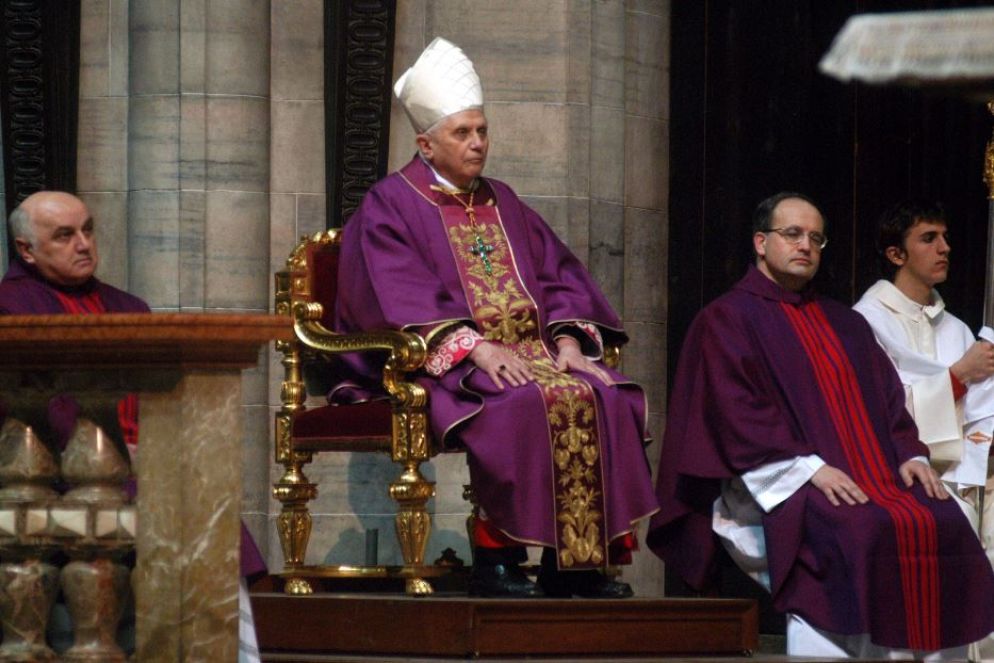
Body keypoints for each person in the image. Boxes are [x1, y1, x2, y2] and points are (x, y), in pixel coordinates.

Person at [333, 37, 658, 598]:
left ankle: (574, 563)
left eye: (482, 130)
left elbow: (557, 275)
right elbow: (393, 291)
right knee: (517, 400)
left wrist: (569, 342)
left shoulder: (504, 200)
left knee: (605, 394)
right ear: (425, 144)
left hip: (531, 352)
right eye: (463, 133)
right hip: (440, 362)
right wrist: (474, 347)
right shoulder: (390, 203)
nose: (478, 143)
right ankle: (496, 556)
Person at [648, 192, 994, 658]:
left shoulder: (845, 323)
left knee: (943, 520)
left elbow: (890, 403)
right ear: (760, 242)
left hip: (868, 475)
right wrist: (809, 468)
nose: (805, 245)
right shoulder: (726, 320)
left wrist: (911, 455)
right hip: (777, 478)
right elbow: (736, 412)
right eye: (792, 234)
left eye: (815, 237)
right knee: (857, 527)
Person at [0, 191, 266, 661]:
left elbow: (161, 396)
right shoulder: (10, 307)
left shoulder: (128, 306)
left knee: (207, 506)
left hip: (140, 466)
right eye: (64, 235)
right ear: (26, 250)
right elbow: (46, 405)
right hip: (57, 473)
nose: (83, 244)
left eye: (88, 229)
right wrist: (125, 455)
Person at [853, 200, 994, 659]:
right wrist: (958, 376)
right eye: (929, 238)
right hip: (905, 476)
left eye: (946, 237)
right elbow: (877, 410)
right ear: (896, 254)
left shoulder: (954, 327)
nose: (945, 248)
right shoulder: (866, 321)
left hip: (970, 474)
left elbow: (980, 410)